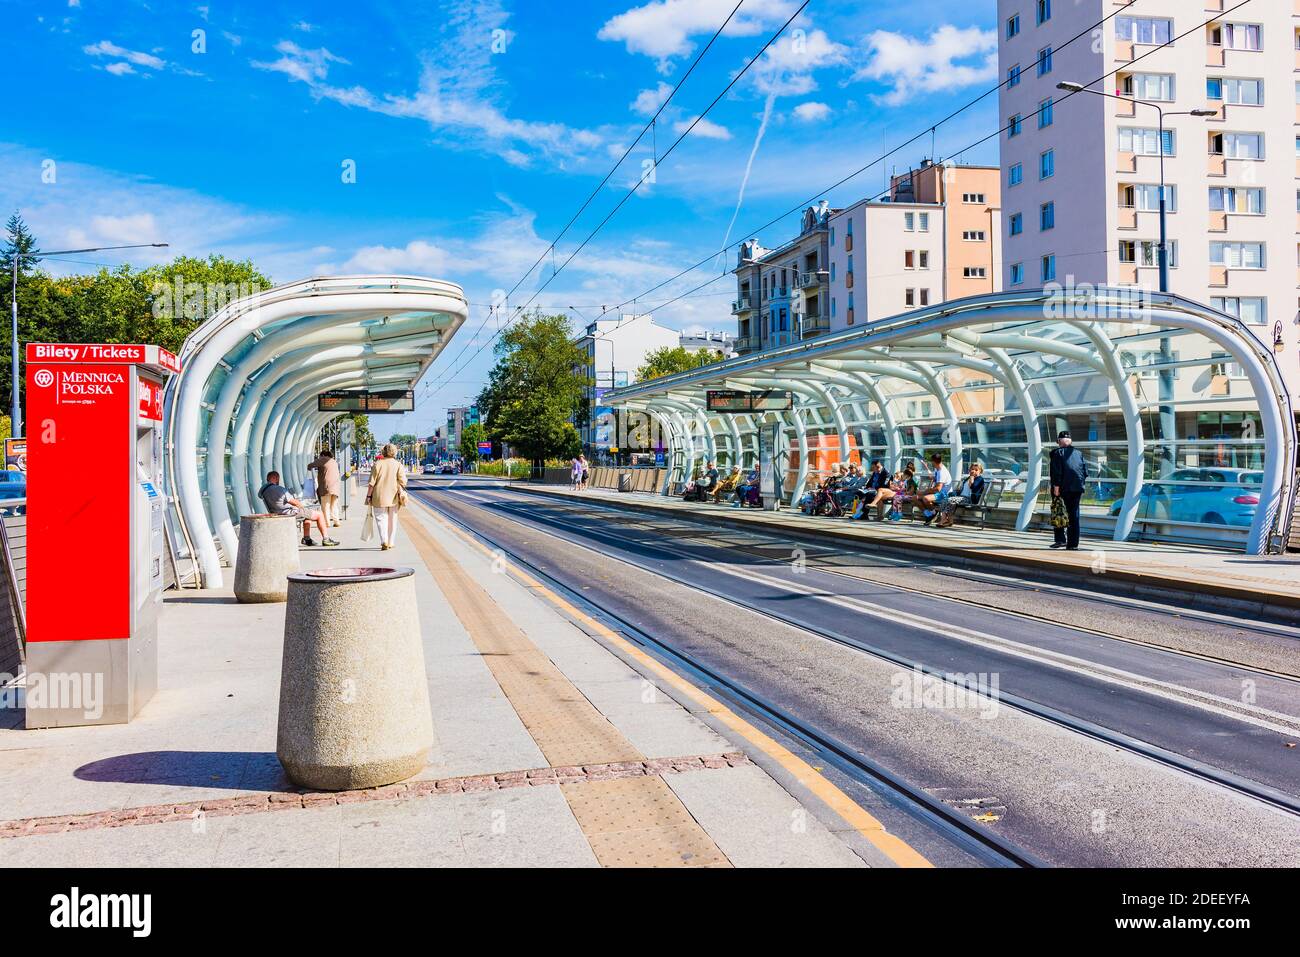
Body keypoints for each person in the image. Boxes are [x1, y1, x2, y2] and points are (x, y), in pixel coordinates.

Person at [259, 470, 338, 547]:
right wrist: (303, 508)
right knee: (319, 515)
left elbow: (260, 496)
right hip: (289, 512)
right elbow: (294, 502)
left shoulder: (263, 490)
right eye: (278, 479)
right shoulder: (279, 489)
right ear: (275, 478)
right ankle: (326, 539)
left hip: (276, 512)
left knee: (307, 516)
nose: (278, 481)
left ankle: (306, 539)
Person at [1049, 430, 1088, 550]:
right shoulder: (1079, 453)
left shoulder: (1057, 453)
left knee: (1058, 511)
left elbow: (1056, 472)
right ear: (1070, 441)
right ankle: (1073, 544)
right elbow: (1085, 472)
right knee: (1074, 516)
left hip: (1062, 488)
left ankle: (1060, 540)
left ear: (1059, 442)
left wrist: (1056, 487)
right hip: (1077, 489)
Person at [366, 442, 409, 551]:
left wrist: (368, 496)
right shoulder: (398, 464)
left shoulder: (378, 464)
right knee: (392, 519)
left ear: (384, 452)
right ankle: (391, 542)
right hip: (394, 496)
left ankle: (383, 540)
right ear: (395, 452)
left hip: (379, 496)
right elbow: (403, 482)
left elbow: (372, 483)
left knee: (381, 519)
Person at [937, 463, 986, 527]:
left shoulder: (979, 479)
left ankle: (944, 520)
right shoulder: (967, 478)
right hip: (961, 497)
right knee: (947, 500)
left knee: (949, 500)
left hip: (969, 499)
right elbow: (961, 490)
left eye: (976, 470)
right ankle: (949, 521)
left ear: (980, 471)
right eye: (972, 469)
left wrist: (972, 478)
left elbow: (973, 488)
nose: (973, 471)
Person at [309, 448, 343, 528]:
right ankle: (336, 521)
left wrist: (309, 467)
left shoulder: (324, 459)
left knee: (325, 505)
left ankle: (327, 523)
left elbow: (312, 465)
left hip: (326, 487)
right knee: (334, 505)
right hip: (336, 487)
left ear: (323, 455)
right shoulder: (333, 461)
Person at [919, 453, 952, 525]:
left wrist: (925, 491)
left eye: (931, 461)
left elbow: (938, 489)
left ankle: (933, 513)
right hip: (939, 493)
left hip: (944, 494)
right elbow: (936, 479)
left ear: (934, 462)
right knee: (915, 498)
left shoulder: (942, 472)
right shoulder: (938, 469)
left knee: (925, 498)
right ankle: (930, 514)